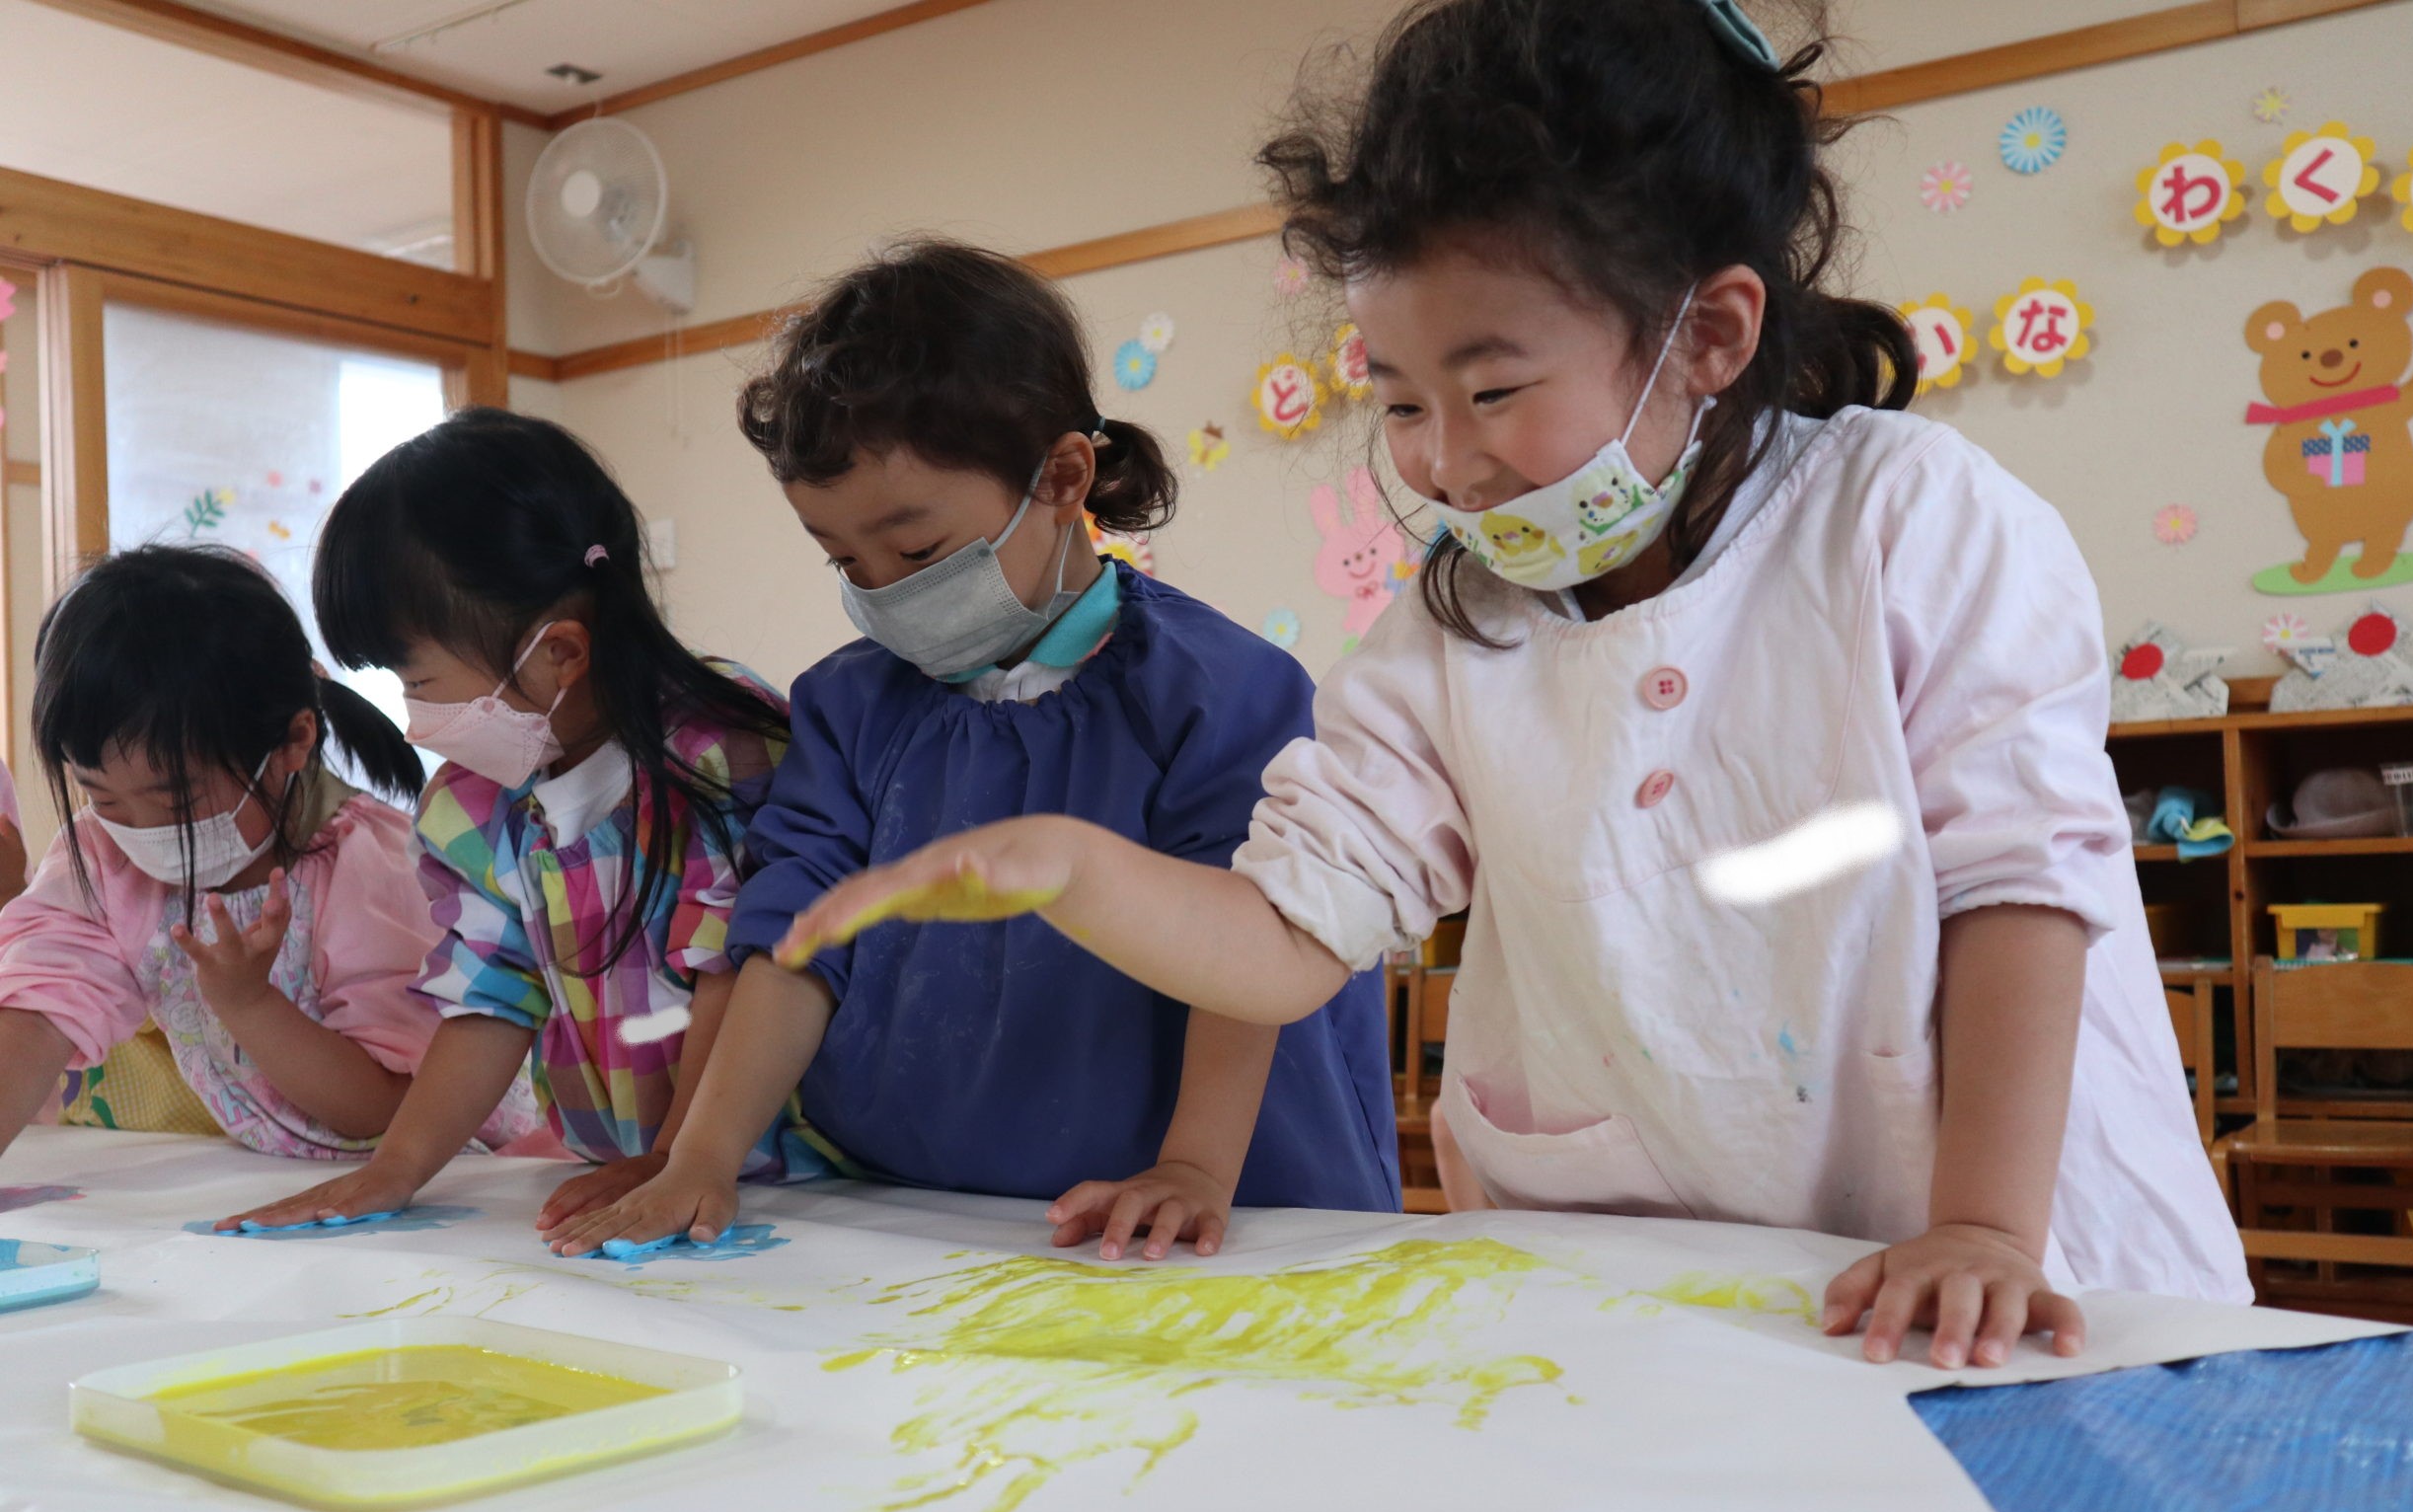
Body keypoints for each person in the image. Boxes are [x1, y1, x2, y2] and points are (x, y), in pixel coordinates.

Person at [773, 0, 2248, 1364]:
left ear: (1708, 335)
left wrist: (1983, 1224)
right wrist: (1073, 867)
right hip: (1672, 1298)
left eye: (1490, 391)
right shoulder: (1454, 629)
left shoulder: (1910, 517)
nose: (1442, 460)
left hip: (2005, 1260)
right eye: (1399, 400)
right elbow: (1290, 934)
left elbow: (2019, 885)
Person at [544, 240, 1398, 1262]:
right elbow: (795, 943)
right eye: (843, 559)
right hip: (919, 1216)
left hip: (1199, 1214)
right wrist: (702, 1155)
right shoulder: (848, 707)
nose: (884, 588)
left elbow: (1246, 946)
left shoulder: (1219, 693)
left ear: (1062, 477)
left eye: (916, 550)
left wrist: (1194, 1168)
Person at [222, 410, 821, 1233]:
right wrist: (394, 1168)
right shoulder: (475, 806)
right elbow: (489, 1002)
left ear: (559, 653)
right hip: (622, 1172)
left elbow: (736, 971)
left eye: (419, 682)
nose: (413, 720)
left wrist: (679, 1158)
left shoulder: (720, 749)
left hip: (781, 1177)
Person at [0, 546, 536, 1165]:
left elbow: (383, 1107)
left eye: (176, 800)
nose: (141, 833)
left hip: (443, 1172)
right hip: (275, 1176)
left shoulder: (371, 867)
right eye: (103, 798)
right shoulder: (101, 857)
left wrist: (249, 1004)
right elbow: (37, 1016)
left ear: (293, 741)